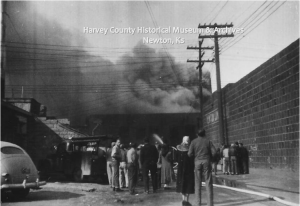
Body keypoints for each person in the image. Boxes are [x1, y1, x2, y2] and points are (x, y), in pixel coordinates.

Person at [188, 129, 216, 206]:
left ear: (197, 134)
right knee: (208, 182)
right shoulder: (208, 141)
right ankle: (210, 204)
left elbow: (189, 153)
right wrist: (210, 158)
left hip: (197, 162)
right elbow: (214, 152)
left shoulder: (193, 142)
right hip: (206, 161)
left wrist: (195, 157)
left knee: (197, 183)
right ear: (204, 134)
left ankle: (198, 203)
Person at [176, 136, 194, 206]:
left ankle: (183, 200)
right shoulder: (190, 148)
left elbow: (176, 158)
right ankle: (186, 200)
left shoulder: (178, 148)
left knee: (182, 184)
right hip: (188, 169)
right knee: (188, 184)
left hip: (181, 168)